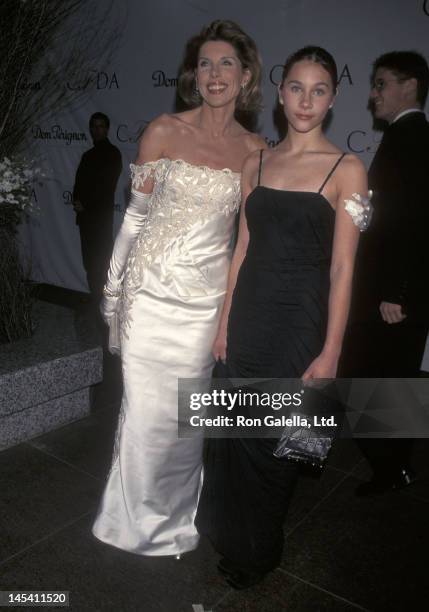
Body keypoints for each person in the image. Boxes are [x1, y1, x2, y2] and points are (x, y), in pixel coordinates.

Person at [196, 46, 368, 589]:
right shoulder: (258, 162)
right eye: (297, 87)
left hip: (300, 323)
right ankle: (232, 534)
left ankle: (258, 550)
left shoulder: (348, 168)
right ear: (279, 91)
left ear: (334, 99)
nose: (306, 100)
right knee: (236, 436)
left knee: (276, 445)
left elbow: (343, 269)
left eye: (319, 90)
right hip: (248, 316)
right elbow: (240, 249)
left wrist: (332, 349)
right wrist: (224, 322)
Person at [92, 20, 265, 558]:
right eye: (206, 64)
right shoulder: (163, 130)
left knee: (185, 422)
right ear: (194, 75)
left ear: (246, 75)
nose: (215, 75)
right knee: (143, 413)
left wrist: (227, 316)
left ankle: (171, 521)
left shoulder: (256, 150)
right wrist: (113, 295)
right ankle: (126, 521)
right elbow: (133, 221)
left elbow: (243, 244)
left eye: (226, 64)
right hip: (148, 294)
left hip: (203, 304)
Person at [340, 51, 429, 496]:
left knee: (367, 376)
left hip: (392, 294)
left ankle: (391, 468)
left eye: (381, 84)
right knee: (394, 380)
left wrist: (395, 291)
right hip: (396, 290)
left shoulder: (411, 137)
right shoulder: (407, 135)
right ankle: (397, 468)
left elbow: (412, 219)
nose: (372, 94)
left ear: (409, 86)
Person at [73, 112, 122, 303]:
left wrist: (85, 204)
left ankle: (104, 307)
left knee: (101, 264)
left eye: (101, 126)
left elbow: (107, 186)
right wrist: (77, 200)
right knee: (90, 264)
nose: (97, 130)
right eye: (94, 126)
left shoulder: (113, 153)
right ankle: (96, 304)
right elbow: (78, 183)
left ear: (107, 129)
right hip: (85, 219)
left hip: (100, 220)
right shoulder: (87, 155)